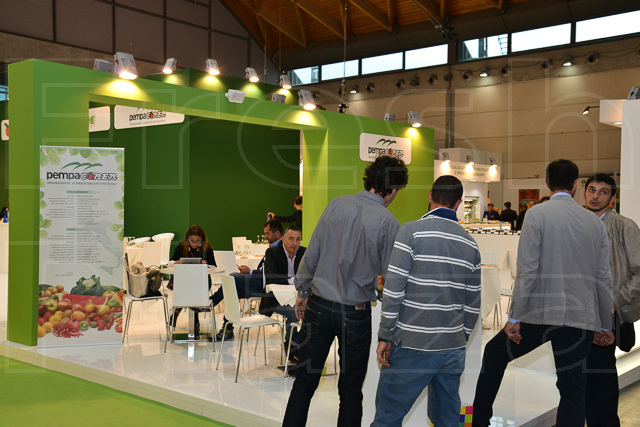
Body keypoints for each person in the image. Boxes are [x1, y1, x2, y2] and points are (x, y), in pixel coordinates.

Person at [471, 159, 613, 427]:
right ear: (576, 185)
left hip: (539, 315)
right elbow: (603, 277)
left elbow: (528, 270)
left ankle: (479, 421)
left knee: (494, 354)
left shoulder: (536, 214)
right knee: (573, 389)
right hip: (580, 319)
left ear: (547, 183)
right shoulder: (595, 223)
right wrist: (605, 324)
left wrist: (514, 318)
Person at [283, 154, 409, 426]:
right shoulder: (389, 223)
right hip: (355, 314)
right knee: (351, 390)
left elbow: (312, 254)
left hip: (318, 306)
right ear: (392, 189)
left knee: (304, 383)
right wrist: (389, 329)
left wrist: (302, 293)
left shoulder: (336, 205)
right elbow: (391, 280)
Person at [371, 175, 481, 426]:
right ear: (459, 203)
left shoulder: (410, 232)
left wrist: (385, 335)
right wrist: (458, 338)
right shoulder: (470, 245)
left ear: (430, 195)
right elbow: (473, 305)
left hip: (411, 344)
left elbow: (394, 291)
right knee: (447, 419)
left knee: (388, 417)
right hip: (451, 348)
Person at [583, 173, 640, 427]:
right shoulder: (578, 223)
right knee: (580, 379)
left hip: (607, 313)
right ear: (584, 192)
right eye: (592, 190)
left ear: (612, 198)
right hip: (579, 312)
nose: (596, 196)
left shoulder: (624, 226)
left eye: (603, 191)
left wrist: (615, 301)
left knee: (601, 380)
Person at [210, 219, 283, 341]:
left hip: (267, 287)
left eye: (267, 233)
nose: (265, 236)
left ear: (277, 233)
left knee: (233, 277)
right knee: (233, 291)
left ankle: (212, 302)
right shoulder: (274, 247)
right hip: (261, 283)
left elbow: (270, 274)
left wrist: (250, 272)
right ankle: (227, 330)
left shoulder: (281, 249)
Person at [259, 225, 306, 360]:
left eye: (298, 239)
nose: (294, 243)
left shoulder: (304, 252)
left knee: (314, 313)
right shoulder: (272, 252)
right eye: (291, 239)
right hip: (275, 299)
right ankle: (292, 346)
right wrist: (294, 280)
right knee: (295, 313)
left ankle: (294, 343)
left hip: (297, 298)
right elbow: (270, 277)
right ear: (283, 239)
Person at [169, 225, 217, 338]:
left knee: (191, 288)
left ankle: (176, 311)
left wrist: (206, 265)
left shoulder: (207, 248)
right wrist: (175, 263)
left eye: (198, 241)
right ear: (187, 239)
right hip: (184, 280)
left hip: (202, 281)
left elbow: (214, 266)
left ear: (202, 240)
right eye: (192, 240)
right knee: (189, 288)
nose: (194, 243)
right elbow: (170, 262)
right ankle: (195, 320)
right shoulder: (181, 246)